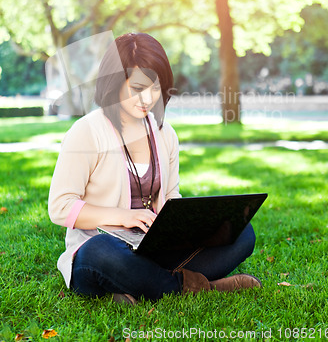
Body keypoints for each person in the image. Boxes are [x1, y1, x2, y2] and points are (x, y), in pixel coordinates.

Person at [48, 32, 261, 305]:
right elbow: (60, 207)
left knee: (241, 232)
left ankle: (144, 287)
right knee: (99, 252)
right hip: (103, 251)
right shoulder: (87, 131)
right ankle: (198, 286)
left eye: (156, 88)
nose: (147, 99)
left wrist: (188, 225)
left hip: (154, 250)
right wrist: (123, 216)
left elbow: (171, 197)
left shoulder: (165, 133)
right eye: (137, 88)